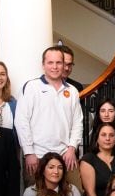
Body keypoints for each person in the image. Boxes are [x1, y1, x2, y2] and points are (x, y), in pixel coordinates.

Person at [15, 46, 83, 176]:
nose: (55, 67)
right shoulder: (31, 87)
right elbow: (21, 121)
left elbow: (77, 123)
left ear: (64, 65)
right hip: (37, 156)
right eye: (50, 62)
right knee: (37, 195)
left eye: (59, 63)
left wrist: (72, 148)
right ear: (43, 65)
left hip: (65, 156)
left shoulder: (72, 91)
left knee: (76, 193)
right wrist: (28, 153)